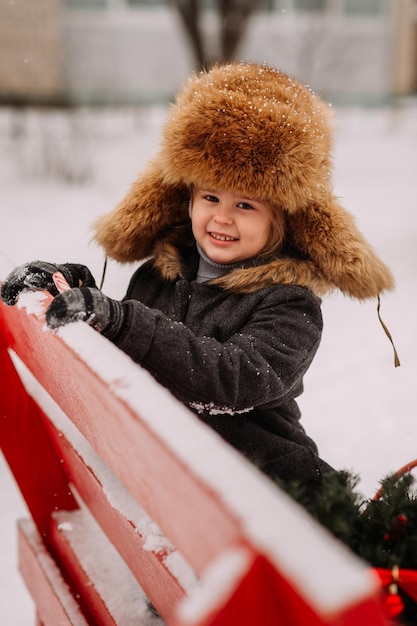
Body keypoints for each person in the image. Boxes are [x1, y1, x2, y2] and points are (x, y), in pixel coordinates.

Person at [1, 63, 394, 499]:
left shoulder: (290, 305)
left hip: (277, 499)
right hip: (192, 498)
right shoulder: (160, 275)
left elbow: (233, 378)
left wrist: (121, 320)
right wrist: (68, 286)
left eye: (246, 205)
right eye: (210, 196)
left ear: (280, 218)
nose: (222, 217)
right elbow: (130, 341)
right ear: (186, 199)